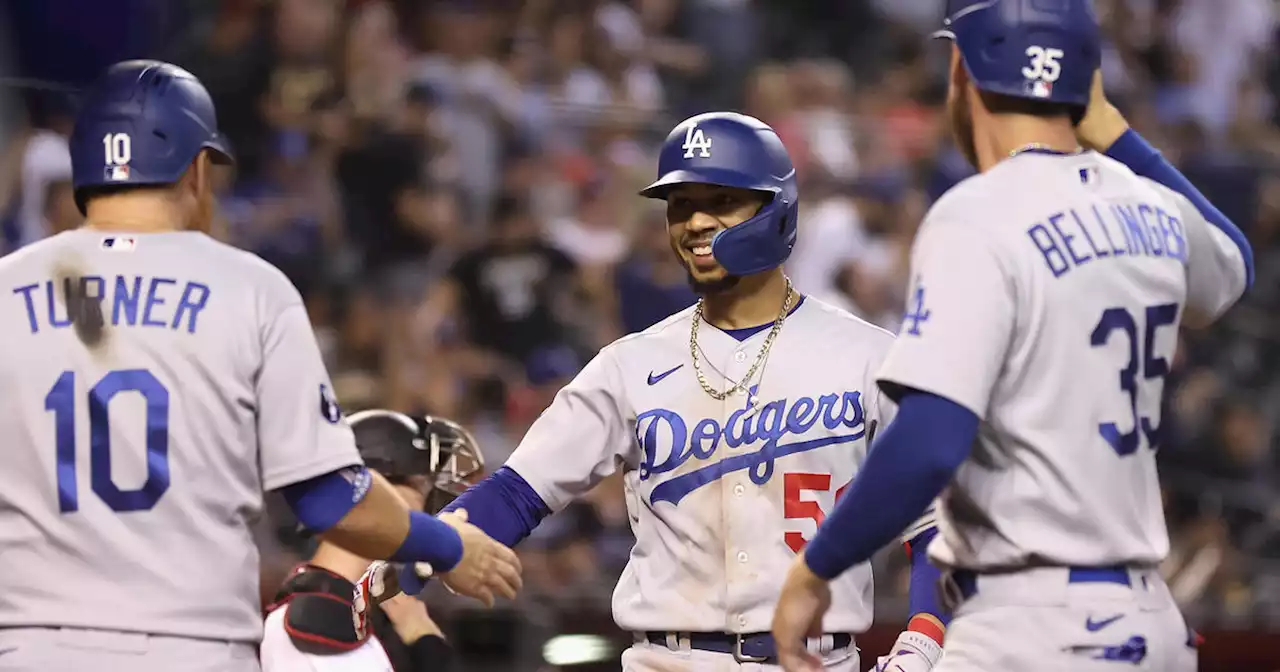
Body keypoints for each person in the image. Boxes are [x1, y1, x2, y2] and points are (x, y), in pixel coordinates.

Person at [770, 2, 1254, 671]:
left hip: (1031, 624)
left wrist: (816, 569)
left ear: (960, 69)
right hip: (1150, 621)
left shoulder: (978, 213)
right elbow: (1234, 265)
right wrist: (1114, 131)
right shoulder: (1152, 204)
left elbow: (931, 442)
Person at [0, 60, 519, 672]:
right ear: (195, 169)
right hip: (190, 646)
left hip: (30, 646)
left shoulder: (6, 289)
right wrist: (449, 543)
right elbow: (330, 498)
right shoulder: (249, 288)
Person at [430, 111, 950, 671]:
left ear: (775, 208)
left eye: (720, 201)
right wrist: (423, 546)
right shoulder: (628, 366)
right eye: (680, 205)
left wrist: (921, 642)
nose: (695, 222)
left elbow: (938, 530)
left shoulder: (870, 357)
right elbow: (516, 493)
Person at [262, 410, 485, 672]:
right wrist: (426, 640)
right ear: (376, 489)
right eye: (422, 487)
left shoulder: (358, 611)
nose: (431, 508)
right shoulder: (320, 616)